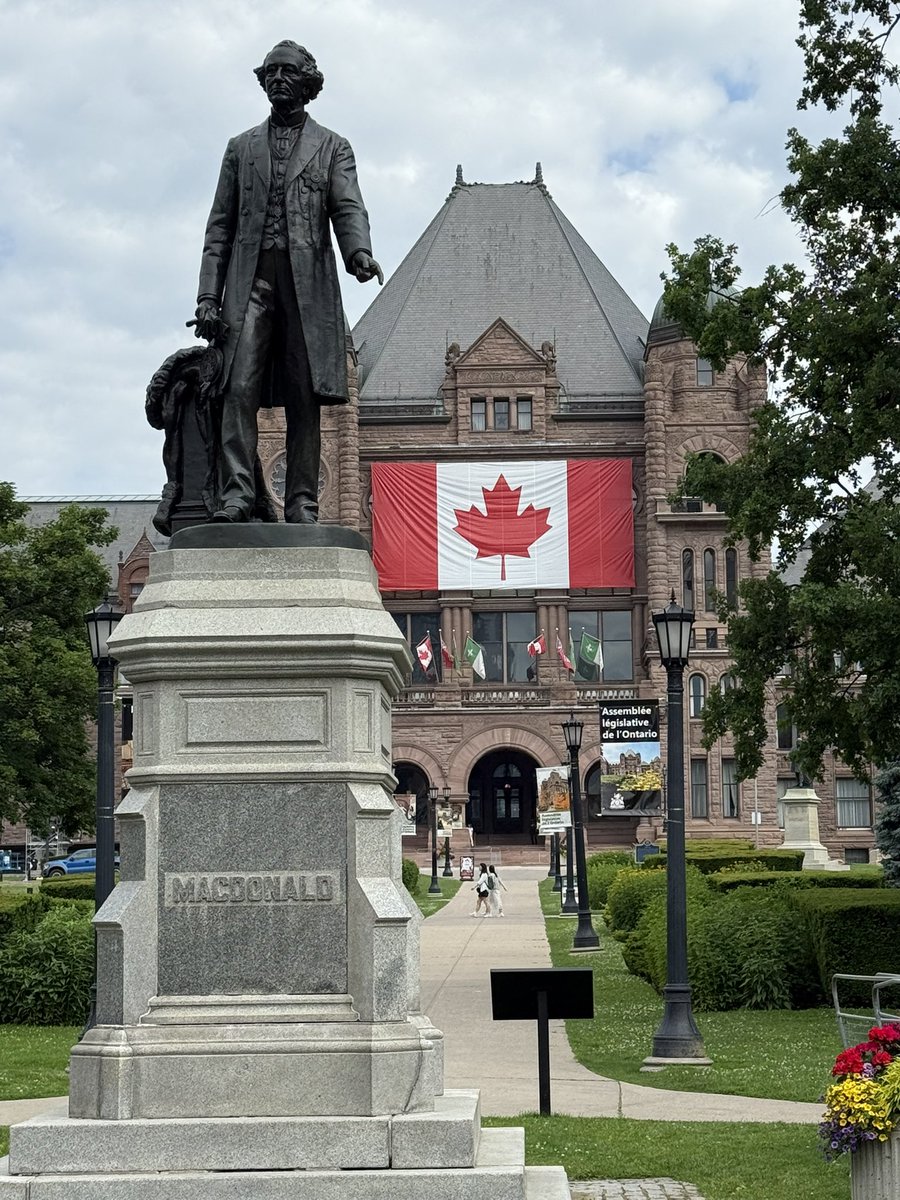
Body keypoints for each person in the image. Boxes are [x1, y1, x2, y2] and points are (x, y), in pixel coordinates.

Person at [191, 40, 382, 525]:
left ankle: (302, 502)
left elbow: (347, 205)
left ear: (307, 82)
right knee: (238, 390)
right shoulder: (240, 148)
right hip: (248, 282)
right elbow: (220, 227)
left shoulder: (333, 146)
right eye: (269, 72)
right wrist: (209, 296)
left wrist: (357, 252)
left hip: (307, 286)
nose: (277, 79)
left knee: (304, 397)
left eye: (287, 71)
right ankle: (237, 496)